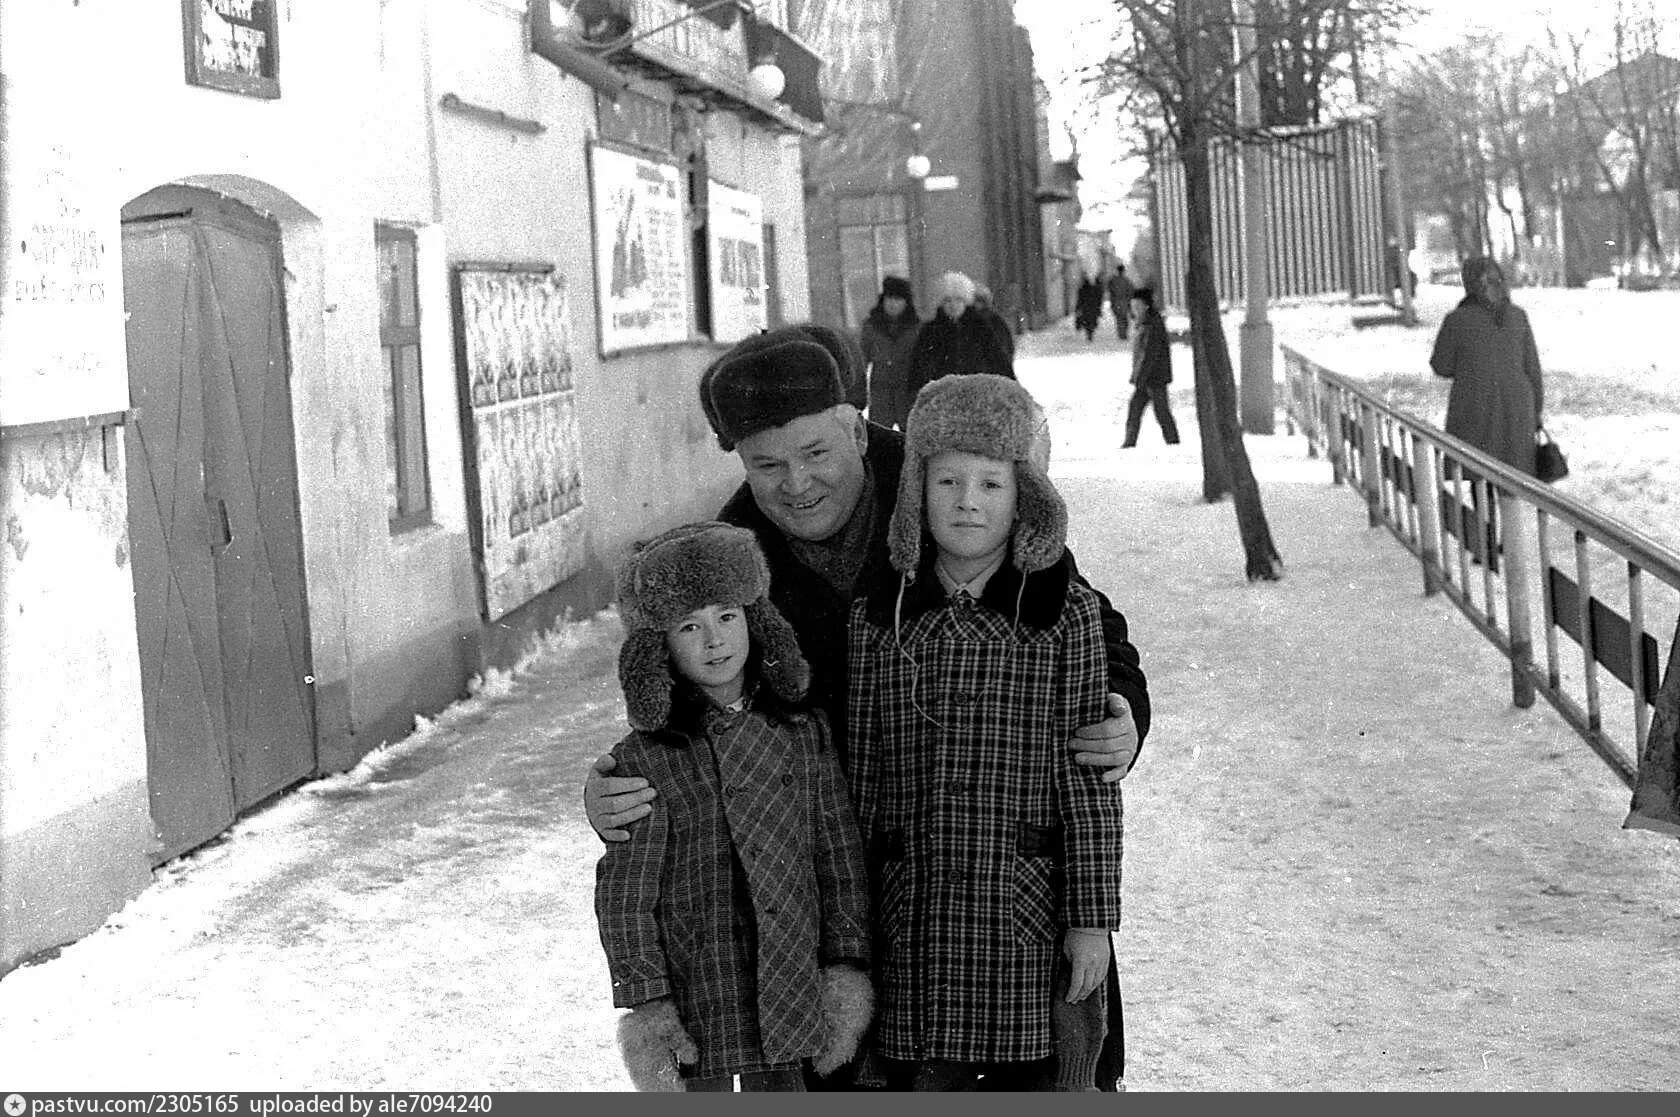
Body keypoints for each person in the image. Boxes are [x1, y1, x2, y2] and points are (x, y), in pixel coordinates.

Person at [584, 324, 1151, 1090]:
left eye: (816, 452)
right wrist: (618, 787)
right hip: (842, 893)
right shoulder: (733, 556)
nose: (797, 483)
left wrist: (1122, 704)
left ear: (856, 427)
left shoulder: (945, 478)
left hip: (992, 872)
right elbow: (684, 698)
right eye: (767, 464)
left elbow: (1067, 604)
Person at [848, 374, 1123, 1091]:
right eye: (947, 481)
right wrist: (849, 929)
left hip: (1020, 914)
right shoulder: (880, 617)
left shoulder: (1064, 616)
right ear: (916, 491)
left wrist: (1090, 919)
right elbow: (861, 781)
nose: (967, 500)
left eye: (990, 483)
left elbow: (1087, 784)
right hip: (914, 917)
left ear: (1024, 495)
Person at [595, 521, 874, 1092]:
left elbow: (838, 855)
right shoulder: (646, 758)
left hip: (790, 981)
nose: (714, 641)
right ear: (659, 646)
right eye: (689, 626)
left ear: (755, 620)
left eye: (727, 616)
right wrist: (647, 1000)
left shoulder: (802, 732)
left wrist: (844, 964)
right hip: (700, 986)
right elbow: (626, 895)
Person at [1428, 256, 1545, 567]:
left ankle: (1484, 542)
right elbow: (1532, 368)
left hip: (1474, 407)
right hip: (1517, 408)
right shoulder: (1517, 316)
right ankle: (1509, 540)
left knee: (1479, 475)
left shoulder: (1457, 320)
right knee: (1509, 473)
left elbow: (1441, 365)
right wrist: (1536, 412)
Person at [905, 272, 1014, 406]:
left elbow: (998, 361)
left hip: (980, 398)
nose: (953, 305)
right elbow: (919, 367)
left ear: (966, 301)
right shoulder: (930, 331)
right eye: (947, 300)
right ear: (941, 303)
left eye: (958, 300)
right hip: (942, 401)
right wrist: (918, 394)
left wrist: (1011, 389)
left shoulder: (980, 328)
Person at [858, 275, 921, 431]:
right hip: (881, 393)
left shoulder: (917, 328)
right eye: (889, 299)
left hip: (907, 393)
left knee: (910, 435)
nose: (892, 304)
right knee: (878, 435)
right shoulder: (872, 326)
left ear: (906, 302)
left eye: (898, 299)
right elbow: (861, 360)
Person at [1121, 287, 1180, 448]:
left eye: (1137, 306)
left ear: (1146, 306)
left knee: (1160, 412)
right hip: (1148, 377)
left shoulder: (1152, 325)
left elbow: (1148, 354)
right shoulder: (1144, 323)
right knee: (1137, 409)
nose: (1134, 310)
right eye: (1133, 306)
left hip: (1154, 378)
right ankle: (1129, 442)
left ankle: (1173, 442)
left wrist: (1140, 378)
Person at [970, 283, 1017, 365]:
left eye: (980, 301)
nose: (977, 305)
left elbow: (1006, 346)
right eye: (975, 301)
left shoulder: (996, 321)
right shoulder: (967, 320)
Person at [1105, 264, 1134, 341]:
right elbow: (1130, 291)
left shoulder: (1113, 280)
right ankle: (1123, 333)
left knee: (1119, 319)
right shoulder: (1126, 280)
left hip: (1116, 302)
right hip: (1124, 302)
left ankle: (1121, 333)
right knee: (1124, 319)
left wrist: (1112, 303)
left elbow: (1110, 291)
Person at [1074, 275, 1104, 341]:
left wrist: (1078, 308)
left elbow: (1079, 300)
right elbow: (1098, 299)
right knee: (1092, 321)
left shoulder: (1082, 290)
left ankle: (1089, 333)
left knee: (1087, 322)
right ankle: (1090, 333)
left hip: (1085, 309)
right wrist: (1098, 308)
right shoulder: (1094, 289)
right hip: (1092, 308)